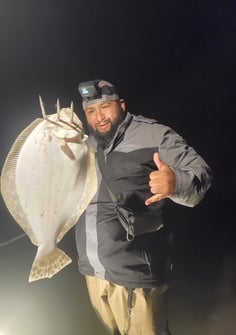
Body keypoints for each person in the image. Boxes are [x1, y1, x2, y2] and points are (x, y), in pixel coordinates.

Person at [75, 79, 212, 335]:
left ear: (122, 105)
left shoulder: (154, 135)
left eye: (105, 107)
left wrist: (176, 183)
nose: (99, 117)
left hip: (137, 278)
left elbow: (201, 172)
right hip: (93, 271)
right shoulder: (84, 145)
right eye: (91, 111)